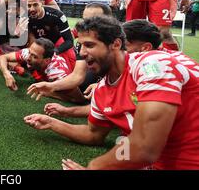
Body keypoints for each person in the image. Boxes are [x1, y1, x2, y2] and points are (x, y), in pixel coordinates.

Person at [24, 16, 199, 170]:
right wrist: (52, 123)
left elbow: (145, 146)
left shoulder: (152, 63)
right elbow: (93, 134)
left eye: (89, 45)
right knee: (123, 143)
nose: (82, 53)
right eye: (80, 46)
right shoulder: (102, 90)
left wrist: (94, 167)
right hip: (159, 162)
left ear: (116, 44)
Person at [27, 2, 113, 103]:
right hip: (98, 78)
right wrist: (50, 86)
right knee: (79, 87)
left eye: (94, 20)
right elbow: (77, 76)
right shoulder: (84, 41)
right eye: (85, 20)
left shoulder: (119, 42)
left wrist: (104, 85)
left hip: (119, 84)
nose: (87, 25)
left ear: (109, 22)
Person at [26, 0, 76, 71]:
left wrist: (55, 51)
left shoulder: (57, 15)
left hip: (57, 43)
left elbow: (69, 41)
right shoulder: (26, 16)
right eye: (29, 5)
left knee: (70, 66)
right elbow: (27, 38)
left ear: (42, 2)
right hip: (39, 45)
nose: (32, 9)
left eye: (35, 5)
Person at [0, 38, 70, 92]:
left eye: (34, 57)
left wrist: (47, 92)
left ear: (47, 60)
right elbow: (2, 57)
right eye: (29, 52)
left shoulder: (57, 72)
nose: (28, 58)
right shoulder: (29, 54)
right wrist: (7, 74)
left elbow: (77, 99)